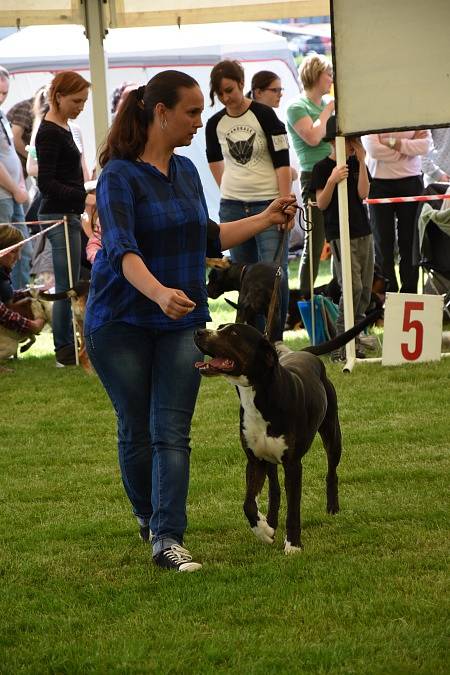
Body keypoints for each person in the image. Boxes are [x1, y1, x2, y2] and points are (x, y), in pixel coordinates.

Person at [84, 69, 296, 572]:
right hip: (121, 322)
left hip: (183, 322)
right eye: (193, 112)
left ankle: (167, 537)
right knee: (135, 428)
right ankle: (148, 517)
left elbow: (208, 236)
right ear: (161, 113)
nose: (202, 122)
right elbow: (119, 250)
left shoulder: (184, 171)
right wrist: (158, 293)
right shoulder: (118, 174)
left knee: (171, 431)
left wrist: (267, 217)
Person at [205, 59, 292, 341]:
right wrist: (228, 188)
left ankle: (275, 339)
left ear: (242, 85)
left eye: (229, 90)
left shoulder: (265, 115)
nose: (226, 97)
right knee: (243, 277)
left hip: (269, 202)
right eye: (220, 93)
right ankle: (249, 340)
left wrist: (285, 202)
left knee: (274, 273)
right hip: (232, 206)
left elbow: (282, 162)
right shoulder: (214, 123)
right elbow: (214, 161)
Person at [35, 71, 94, 366]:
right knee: (67, 286)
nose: (81, 106)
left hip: (68, 212)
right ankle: (65, 351)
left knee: (69, 283)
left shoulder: (64, 126)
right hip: (58, 214)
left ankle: (69, 345)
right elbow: (45, 183)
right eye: (76, 101)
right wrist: (82, 196)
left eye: (84, 101)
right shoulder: (48, 131)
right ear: (58, 97)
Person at [310, 116, 373, 362]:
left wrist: (362, 161)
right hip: (339, 233)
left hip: (363, 231)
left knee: (365, 288)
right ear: (336, 141)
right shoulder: (322, 168)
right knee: (351, 287)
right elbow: (322, 203)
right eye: (350, 140)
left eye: (355, 140)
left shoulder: (356, 164)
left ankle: (354, 340)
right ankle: (340, 344)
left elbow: (363, 194)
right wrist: (332, 180)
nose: (353, 144)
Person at [286, 54, 335, 295]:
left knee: (339, 240)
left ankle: (338, 294)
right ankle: (305, 300)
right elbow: (314, 138)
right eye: (328, 73)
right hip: (314, 176)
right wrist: (328, 110)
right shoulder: (297, 106)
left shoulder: (325, 104)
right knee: (315, 243)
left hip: (336, 171)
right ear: (316, 75)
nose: (331, 79)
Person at [362, 129, 432, 293]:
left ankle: (409, 293)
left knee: (410, 243)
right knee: (383, 243)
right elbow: (373, 149)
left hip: (412, 181)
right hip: (378, 183)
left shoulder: (415, 109)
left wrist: (394, 143)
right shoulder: (370, 111)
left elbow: (425, 146)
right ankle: (388, 293)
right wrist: (406, 150)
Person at [0, 65, 32, 291]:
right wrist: (16, 188)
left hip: (13, 192)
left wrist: (20, 183)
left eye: (5, 93)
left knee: (22, 250)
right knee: (7, 253)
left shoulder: (2, 113)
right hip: (4, 195)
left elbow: (10, 151)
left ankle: (19, 300)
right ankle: (9, 303)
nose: (3, 97)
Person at [0, 223, 45, 341]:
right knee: (10, 348)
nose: (19, 257)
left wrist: (30, 292)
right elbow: (1, 312)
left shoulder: (2, 273)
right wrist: (31, 325)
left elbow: (5, 296)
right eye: (13, 252)